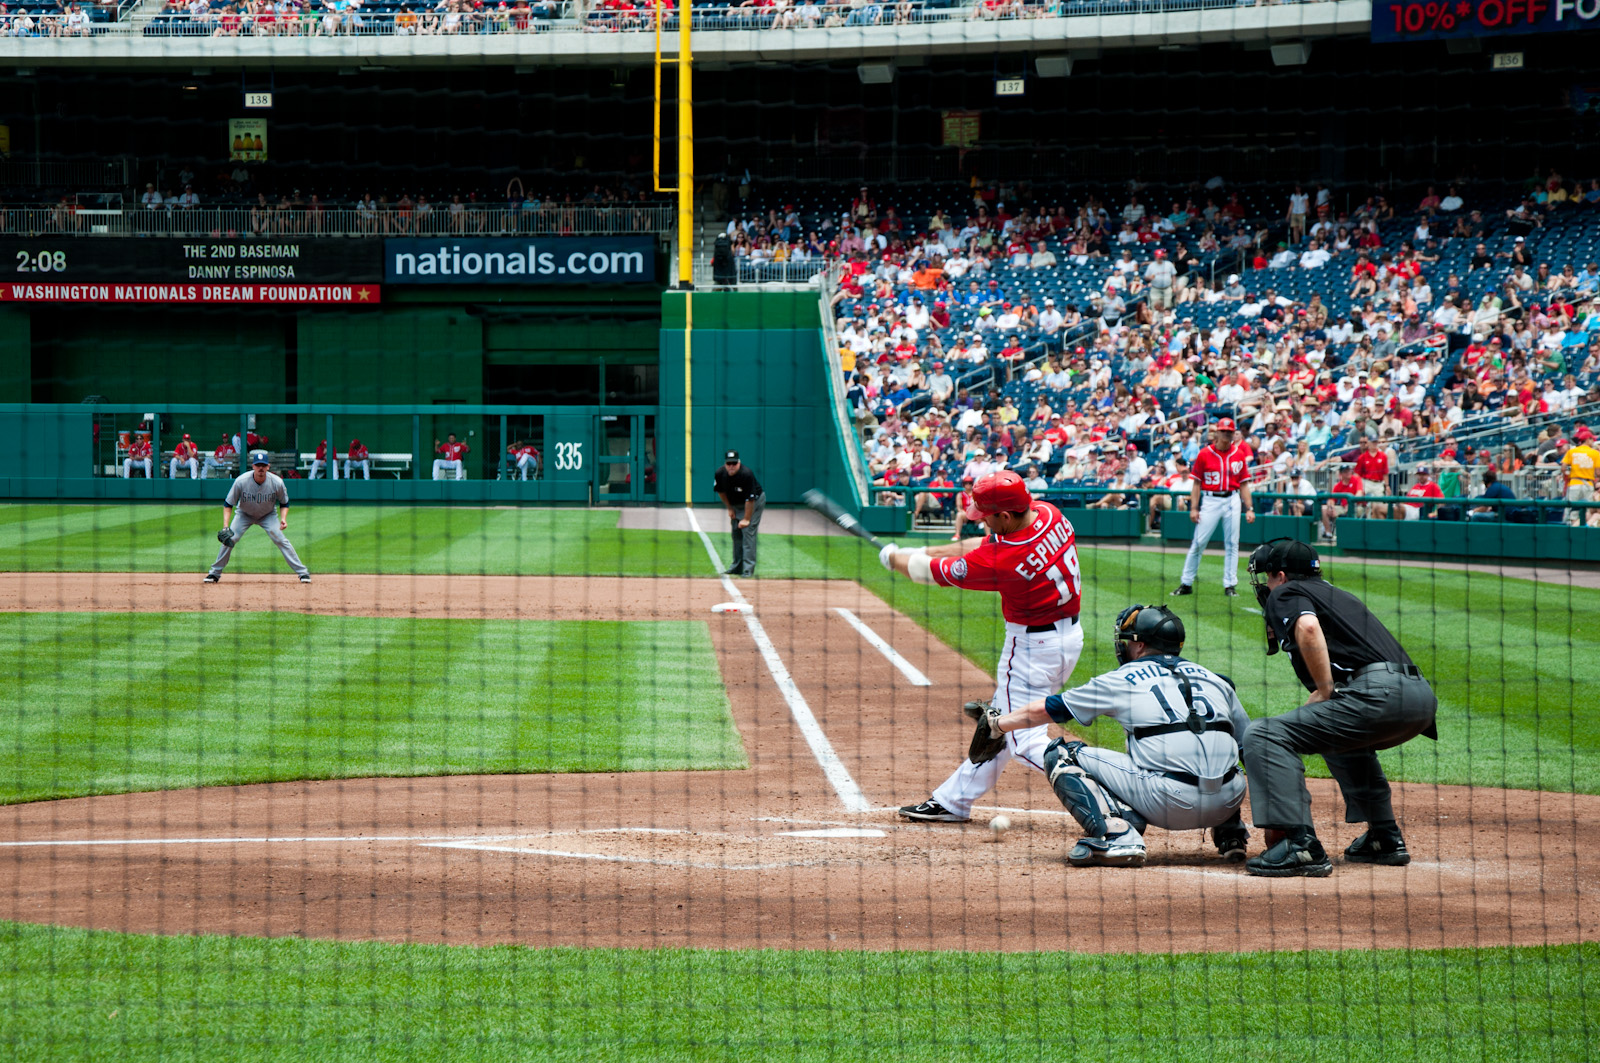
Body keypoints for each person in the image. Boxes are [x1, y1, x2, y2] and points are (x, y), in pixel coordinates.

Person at [972, 603, 1250, 867]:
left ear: (1139, 646)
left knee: (1062, 753)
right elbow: (1250, 747)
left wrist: (1000, 724)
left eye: (1127, 640)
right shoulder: (1215, 679)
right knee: (1220, 745)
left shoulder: (1121, 679)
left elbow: (1050, 708)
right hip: (1228, 801)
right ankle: (1231, 835)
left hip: (1169, 804)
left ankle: (1118, 835)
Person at [877, 471, 1084, 822]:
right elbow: (978, 546)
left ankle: (1103, 779)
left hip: (1032, 647)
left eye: (987, 515)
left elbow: (930, 573)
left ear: (1004, 516)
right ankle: (953, 800)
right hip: (1067, 640)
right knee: (999, 723)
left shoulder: (1006, 561)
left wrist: (896, 559)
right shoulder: (1049, 514)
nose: (982, 521)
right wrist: (923, 549)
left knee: (1021, 740)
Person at [1242, 539, 1437, 877]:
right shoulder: (1336, 594)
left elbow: (1306, 627)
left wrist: (1324, 688)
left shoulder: (1286, 593)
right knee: (1335, 737)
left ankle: (1301, 845)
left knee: (1264, 734)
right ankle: (1384, 837)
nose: (1266, 585)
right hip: (1419, 699)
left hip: (1378, 695)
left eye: (1268, 577)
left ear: (1282, 576)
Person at [1171, 417, 1256, 597]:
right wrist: (1194, 508)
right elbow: (1196, 484)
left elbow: (1244, 485)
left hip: (1232, 499)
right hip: (1210, 500)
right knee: (1199, 542)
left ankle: (1230, 585)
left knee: (1232, 544)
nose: (1226, 434)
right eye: (1223, 431)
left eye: (1229, 432)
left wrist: (1249, 508)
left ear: (1233, 434)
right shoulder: (1204, 453)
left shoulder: (1239, 454)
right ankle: (1186, 583)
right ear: (1216, 432)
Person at [204, 451, 311, 585]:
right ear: (253, 466)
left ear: (268, 467)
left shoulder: (277, 482)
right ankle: (214, 573)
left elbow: (284, 503)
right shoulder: (241, 481)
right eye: (258, 465)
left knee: (280, 539)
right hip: (244, 514)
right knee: (230, 538)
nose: (261, 468)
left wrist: (283, 518)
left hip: (268, 515)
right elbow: (228, 504)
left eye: (263, 465)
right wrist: (226, 525)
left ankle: (303, 573)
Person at [714, 449, 764, 577]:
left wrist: (746, 519)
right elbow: (721, 492)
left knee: (748, 532)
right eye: (729, 463)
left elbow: (750, 499)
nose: (731, 466)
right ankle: (736, 567)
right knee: (736, 534)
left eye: (734, 463)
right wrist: (730, 508)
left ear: (739, 463)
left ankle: (748, 569)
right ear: (725, 464)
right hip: (736, 504)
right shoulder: (720, 473)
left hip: (754, 503)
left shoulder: (746, 474)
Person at [1561, 437, 1600, 527]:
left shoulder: (1572, 451)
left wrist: (1567, 475)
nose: (1593, 441)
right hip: (1588, 484)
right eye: (1591, 439)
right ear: (1587, 440)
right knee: (1587, 510)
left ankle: (1569, 528)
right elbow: (1598, 472)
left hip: (1574, 483)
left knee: (1570, 510)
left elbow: (1563, 468)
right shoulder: (1595, 452)